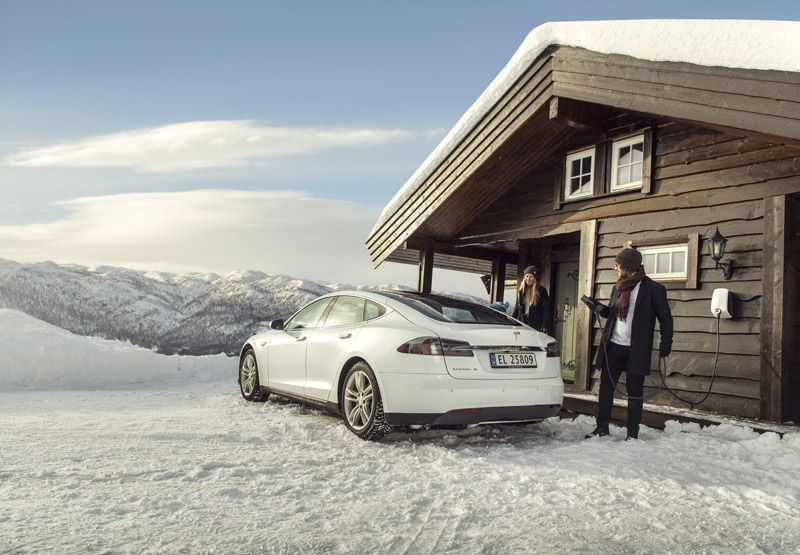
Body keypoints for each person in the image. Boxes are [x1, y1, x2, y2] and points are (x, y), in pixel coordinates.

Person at [586, 248, 673, 440]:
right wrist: (599, 309)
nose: (616, 268)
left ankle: (632, 434)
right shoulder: (618, 287)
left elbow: (665, 319)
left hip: (637, 348)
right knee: (606, 388)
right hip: (614, 345)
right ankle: (602, 428)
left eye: (618, 265)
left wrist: (666, 344)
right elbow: (612, 313)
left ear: (628, 267)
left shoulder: (654, 289)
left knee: (635, 392)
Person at [512, 265, 552, 334]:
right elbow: (517, 308)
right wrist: (512, 321)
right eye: (527, 276)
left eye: (531, 277)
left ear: (534, 278)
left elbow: (547, 309)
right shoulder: (521, 291)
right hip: (523, 323)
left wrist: (545, 325)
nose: (528, 279)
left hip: (536, 324)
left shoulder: (541, 290)